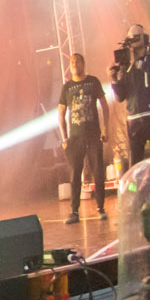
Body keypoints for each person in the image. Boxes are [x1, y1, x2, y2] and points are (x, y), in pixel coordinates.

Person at [56, 52, 108, 224]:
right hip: (75, 138)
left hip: (93, 135)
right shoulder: (67, 87)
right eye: (71, 62)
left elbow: (105, 106)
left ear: (83, 64)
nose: (74, 64)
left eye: (77, 61)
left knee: (98, 172)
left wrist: (105, 129)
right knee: (74, 175)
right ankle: (74, 212)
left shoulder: (93, 82)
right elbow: (61, 114)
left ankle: (101, 208)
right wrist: (65, 139)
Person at [112, 25, 150, 165]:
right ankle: (136, 182)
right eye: (131, 38)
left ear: (145, 37)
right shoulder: (125, 64)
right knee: (135, 163)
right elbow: (120, 97)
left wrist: (138, 63)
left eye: (137, 36)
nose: (133, 40)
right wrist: (114, 79)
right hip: (134, 119)